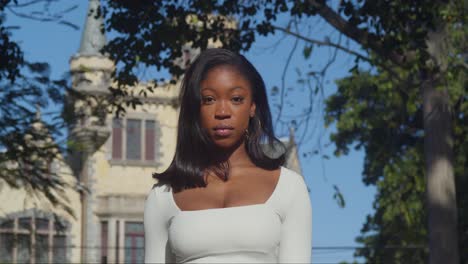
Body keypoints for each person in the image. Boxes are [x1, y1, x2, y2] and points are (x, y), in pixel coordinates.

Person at [144, 48, 312, 263]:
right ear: (195, 109)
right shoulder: (164, 195)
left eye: (236, 98)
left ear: (252, 106)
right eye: (209, 99)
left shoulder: (288, 187)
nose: (222, 111)